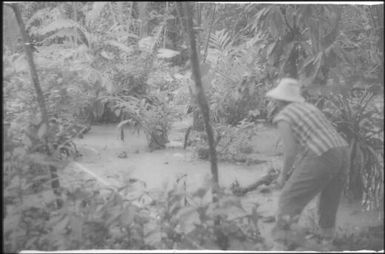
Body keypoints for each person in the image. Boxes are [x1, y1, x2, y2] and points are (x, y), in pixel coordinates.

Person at [265, 78, 349, 249]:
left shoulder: (283, 116)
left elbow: (290, 151)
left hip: (322, 154)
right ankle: (327, 242)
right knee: (329, 199)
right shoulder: (310, 108)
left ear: (279, 100)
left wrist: (283, 177)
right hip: (342, 151)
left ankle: (280, 245)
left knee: (288, 199)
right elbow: (313, 142)